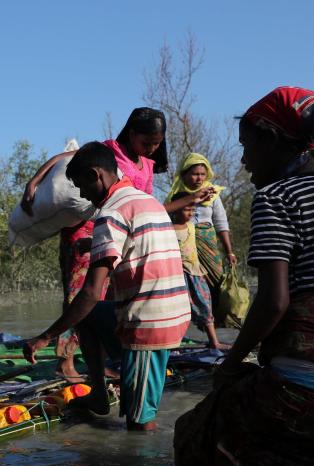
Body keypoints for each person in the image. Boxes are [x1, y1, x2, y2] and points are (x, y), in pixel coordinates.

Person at [174, 87, 314, 466]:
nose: (243, 161)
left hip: (308, 380)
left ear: (276, 141)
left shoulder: (277, 198)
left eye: (247, 147)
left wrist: (231, 361)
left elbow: (274, 302)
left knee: (189, 434)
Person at [23, 142, 190, 431]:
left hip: (150, 324)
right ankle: (99, 394)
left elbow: (89, 293)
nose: (82, 194)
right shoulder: (146, 200)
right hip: (173, 313)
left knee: (139, 425)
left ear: (95, 175)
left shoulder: (110, 214)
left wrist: (45, 336)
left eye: (81, 186)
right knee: (91, 315)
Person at [21, 109, 168, 381]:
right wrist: (35, 179)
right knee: (80, 296)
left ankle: (99, 363)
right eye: (146, 142)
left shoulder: (147, 165)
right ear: (132, 133)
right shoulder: (108, 150)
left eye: (156, 144)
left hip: (119, 238)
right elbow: (67, 159)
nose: (151, 149)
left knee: (108, 300)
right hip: (87, 232)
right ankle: (65, 362)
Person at [164, 152, 236, 306]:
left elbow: (221, 222)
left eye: (203, 174)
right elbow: (165, 218)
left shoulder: (212, 194)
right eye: (195, 174)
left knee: (216, 277)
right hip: (184, 245)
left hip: (208, 243)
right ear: (184, 174)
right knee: (188, 278)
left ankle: (216, 312)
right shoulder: (175, 196)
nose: (200, 178)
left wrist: (229, 251)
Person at [168, 193, 224, 349]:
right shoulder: (169, 229)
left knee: (205, 305)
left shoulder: (193, 227)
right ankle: (173, 341)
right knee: (176, 309)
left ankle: (214, 341)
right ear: (176, 210)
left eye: (192, 210)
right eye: (186, 210)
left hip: (196, 273)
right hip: (178, 276)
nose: (191, 213)